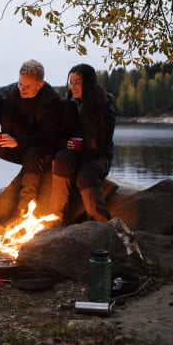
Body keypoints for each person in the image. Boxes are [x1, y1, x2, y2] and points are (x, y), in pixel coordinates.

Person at [0, 59, 61, 213]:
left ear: (40, 85)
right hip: (12, 146)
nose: (22, 89)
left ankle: (24, 207)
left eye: (28, 86)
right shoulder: (6, 95)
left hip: (38, 150)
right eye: (20, 84)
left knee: (33, 153)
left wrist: (17, 142)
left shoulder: (51, 101)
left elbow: (48, 136)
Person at [48, 63, 117, 224]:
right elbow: (58, 135)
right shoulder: (67, 104)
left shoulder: (104, 106)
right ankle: (56, 219)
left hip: (98, 157)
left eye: (77, 82)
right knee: (61, 160)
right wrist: (68, 144)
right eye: (71, 82)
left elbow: (104, 145)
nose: (73, 87)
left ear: (89, 82)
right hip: (75, 153)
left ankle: (101, 224)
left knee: (86, 174)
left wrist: (83, 155)